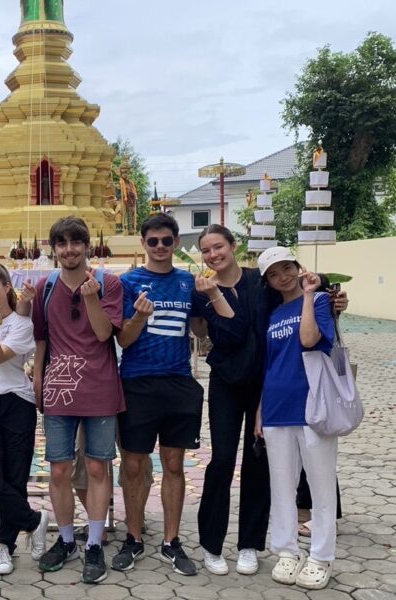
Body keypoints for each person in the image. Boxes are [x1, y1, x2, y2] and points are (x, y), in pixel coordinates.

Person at [195, 225, 348, 576]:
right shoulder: (202, 289)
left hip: (267, 384)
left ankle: (250, 543)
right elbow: (213, 331)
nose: (214, 255)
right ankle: (211, 543)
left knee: (258, 463)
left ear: (233, 246)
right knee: (220, 460)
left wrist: (330, 292)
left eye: (219, 246)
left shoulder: (259, 282)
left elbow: (300, 282)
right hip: (229, 382)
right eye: (206, 250)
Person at [113, 214, 233, 577]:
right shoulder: (129, 283)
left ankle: (171, 541)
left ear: (177, 243)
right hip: (137, 383)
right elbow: (123, 339)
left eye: (167, 241)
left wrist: (210, 296)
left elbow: (198, 330)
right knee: (133, 466)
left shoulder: (187, 282)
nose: (161, 248)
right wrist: (138, 317)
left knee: (175, 465)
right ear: (143, 244)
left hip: (179, 383)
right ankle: (133, 537)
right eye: (154, 242)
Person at [31, 216, 124, 584]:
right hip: (58, 387)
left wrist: (91, 300)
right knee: (58, 468)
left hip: (100, 386)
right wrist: (38, 377)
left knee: (99, 468)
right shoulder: (45, 287)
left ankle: (95, 543)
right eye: (62, 243)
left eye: (76, 243)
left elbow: (105, 334)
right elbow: (41, 337)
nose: (69, 250)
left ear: (88, 246)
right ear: (54, 249)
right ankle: (67, 539)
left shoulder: (108, 284)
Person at [254, 247, 338, 590]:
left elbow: (309, 340)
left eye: (287, 268)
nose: (282, 277)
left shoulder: (319, 302)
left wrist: (307, 295)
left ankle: (320, 556)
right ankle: (287, 551)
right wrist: (260, 409)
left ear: (298, 268)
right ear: (268, 282)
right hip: (276, 408)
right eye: (274, 274)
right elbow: (269, 365)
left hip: (312, 407)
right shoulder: (273, 316)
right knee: (282, 487)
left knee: (320, 488)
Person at [0, 263, 48, 575]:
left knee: (15, 479)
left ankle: (4, 545)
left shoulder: (21, 324)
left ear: (5, 287)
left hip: (17, 403)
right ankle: (34, 521)